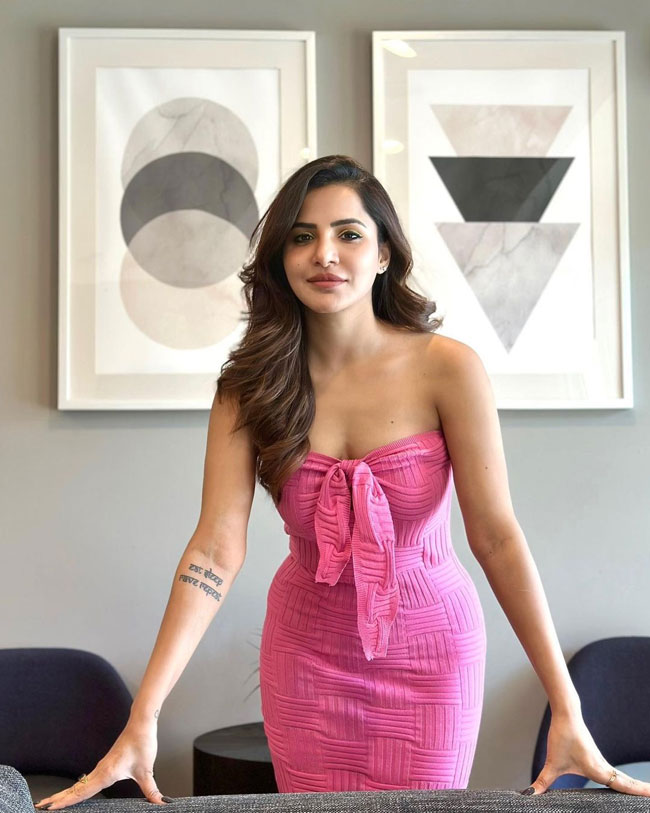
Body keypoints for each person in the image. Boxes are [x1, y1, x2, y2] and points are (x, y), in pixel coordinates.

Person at [36, 155, 650, 809]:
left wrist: (567, 704)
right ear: (280, 258)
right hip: (305, 656)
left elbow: (497, 537)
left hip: (432, 653)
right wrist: (144, 715)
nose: (324, 253)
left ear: (383, 253)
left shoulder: (448, 369)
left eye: (348, 234)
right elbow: (214, 550)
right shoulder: (249, 386)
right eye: (302, 236)